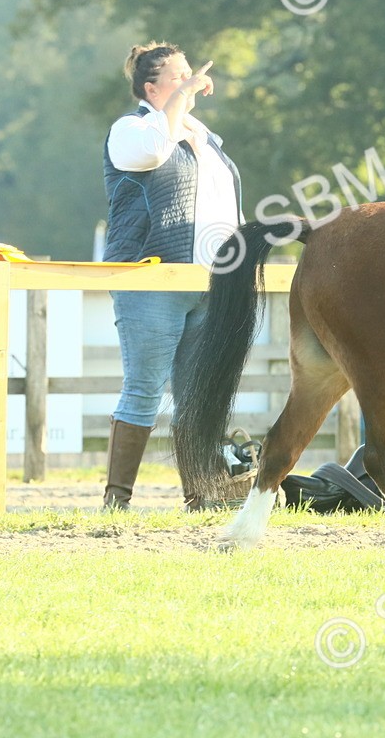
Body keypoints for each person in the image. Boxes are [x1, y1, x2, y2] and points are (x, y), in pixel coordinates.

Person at [102, 42, 242, 509]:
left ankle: (201, 495)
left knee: (198, 395)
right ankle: (117, 499)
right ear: (151, 88)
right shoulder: (132, 129)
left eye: (191, 76)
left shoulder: (208, 138)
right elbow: (153, 155)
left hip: (210, 281)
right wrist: (180, 103)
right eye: (178, 77)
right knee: (142, 389)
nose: (190, 83)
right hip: (151, 278)